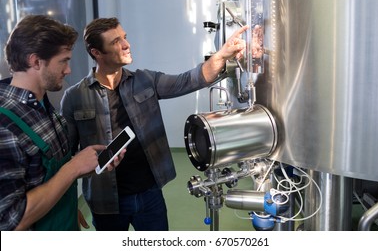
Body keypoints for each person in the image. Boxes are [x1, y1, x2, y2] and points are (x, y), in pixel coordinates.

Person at [60, 17, 248, 231]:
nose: (126, 44)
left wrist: (222, 55)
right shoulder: (74, 97)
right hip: (106, 201)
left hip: (149, 194)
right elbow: (64, 158)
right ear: (96, 53)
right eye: (115, 41)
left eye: (125, 37)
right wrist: (69, 206)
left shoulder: (145, 80)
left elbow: (188, 80)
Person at [0, 15, 123, 231]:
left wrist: (87, 166)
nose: (68, 70)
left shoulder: (44, 107)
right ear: (36, 61)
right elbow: (10, 222)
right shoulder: (5, 126)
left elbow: (41, 177)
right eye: (64, 61)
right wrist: (74, 168)